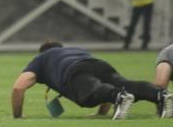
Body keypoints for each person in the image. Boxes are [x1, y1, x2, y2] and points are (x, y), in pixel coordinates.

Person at [11, 40, 169, 120]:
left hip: (75, 70)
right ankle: (160, 95)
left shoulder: (42, 58)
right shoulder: (76, 50)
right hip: (99, 64)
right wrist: (101, 113)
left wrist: (17, 116)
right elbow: (102, 83)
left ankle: (118, 97)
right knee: (125, 84)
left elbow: (19, 87)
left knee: (88, 95)